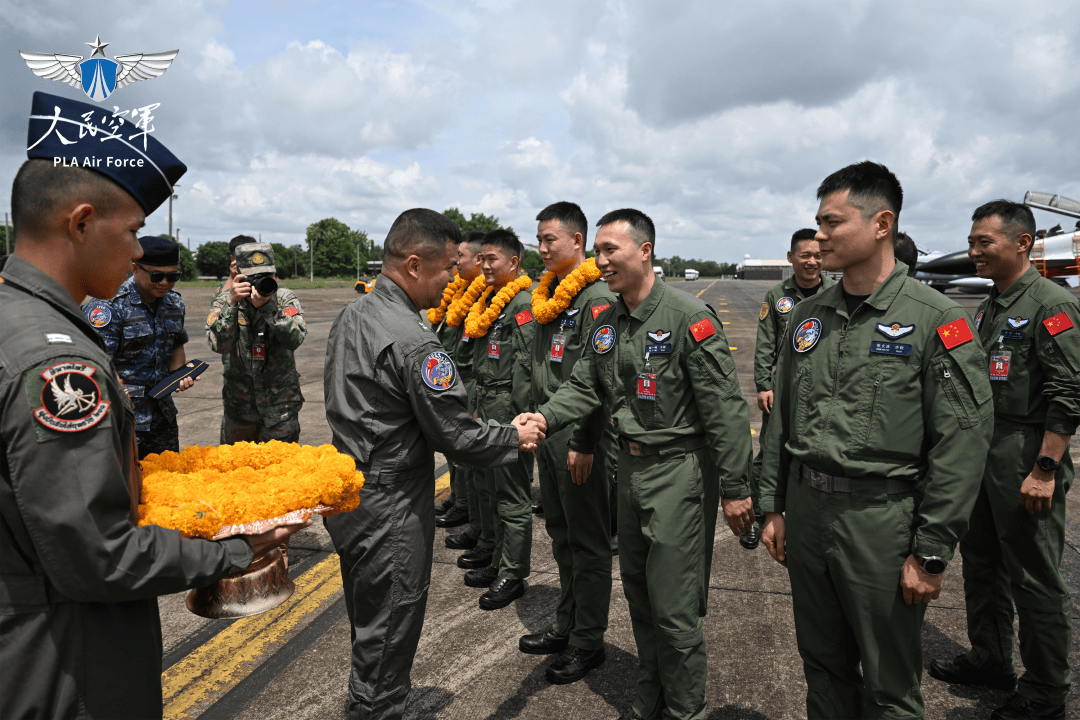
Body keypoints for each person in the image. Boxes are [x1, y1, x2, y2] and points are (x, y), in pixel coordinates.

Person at [0, 90, 305, 719]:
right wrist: (236, 550)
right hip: (69, 664)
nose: (142, 254)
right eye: (135, 231)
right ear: (80, 222)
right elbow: (97, 556)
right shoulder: (57, 363)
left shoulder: (17, 318)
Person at [759, 161, 994, 720]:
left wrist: (932, 550)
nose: (819, 237)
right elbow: (782, 420)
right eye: (818, 224)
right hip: (809, 512)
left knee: (890, 686)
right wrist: (773, 503)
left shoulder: (935, 319)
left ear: (882, 223)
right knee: (821, 665)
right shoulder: (808, 318)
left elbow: (962, 442)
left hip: (881, 520)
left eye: (832, 223)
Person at [518, 208, 755, 720]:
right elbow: (584, 386)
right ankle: (651, 697)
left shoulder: (688, 318)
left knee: (675, 612)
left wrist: (737, 488)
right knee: (641, 600)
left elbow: (725, 409)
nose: (600, 261)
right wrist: (541, 419)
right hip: (628, 470)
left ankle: (686, 709)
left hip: (678, 473)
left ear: (645, 250)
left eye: (611, 250)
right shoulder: (608, 322)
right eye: (597, 251)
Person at [323, 208, 544, 720]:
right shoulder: (414, 339)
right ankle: (378, 706)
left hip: (347, 490)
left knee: (369, 612)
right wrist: (515, 436)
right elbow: (457, 435)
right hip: (391, 501)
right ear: (415, 264)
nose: (454, 278)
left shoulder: (355, 313)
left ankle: (369, 693)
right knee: (395, 613)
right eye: (448, 268)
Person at [929, 200, 1080, 720]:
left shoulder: (1050, 304)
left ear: (1021, 243)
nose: (973, 252)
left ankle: (1045, 691)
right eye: (971, 242)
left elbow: (1069, 392)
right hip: (983, 455)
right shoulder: (993, 304)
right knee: (983, 565)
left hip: (1025, 454)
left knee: (1035, 579)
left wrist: (1045, 469)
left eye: (983, 243)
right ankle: (992, 659)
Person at [519, 201, 617, 684]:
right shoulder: (549, 294)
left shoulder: (597, 298)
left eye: (548, 239)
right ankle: (567, 622)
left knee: (589, 542)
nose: (540, 249)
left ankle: (588, 641)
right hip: (549, 435)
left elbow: (597, 381)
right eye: (538, 240)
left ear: (576, 241)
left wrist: (584, 440)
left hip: (580, 440)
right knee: (561, 536)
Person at [463, 229, 537, 609]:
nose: (485, 265)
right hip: (487, 401)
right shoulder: (490, 300)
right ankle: (496, 560)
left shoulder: (522, 303)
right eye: (483, 259)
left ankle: (513, 572)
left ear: (513, 262)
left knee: (511, 496)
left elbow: (526, 363)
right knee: (490, 490)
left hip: (509, 408)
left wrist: (521, 420)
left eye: (492, 259)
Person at [749, 228, 834, 548]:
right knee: (769, 450)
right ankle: (759, 515)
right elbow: (765, 344)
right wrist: (763, 385)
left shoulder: (835, 292)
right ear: (790, 258)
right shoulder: (777, 297)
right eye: (805, 256)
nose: (812, 262)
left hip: (819, 388)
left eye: (818, 255)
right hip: (782, 389)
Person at [83, 235, 197, 459]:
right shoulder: (109, 306)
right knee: (126, 486)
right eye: (157, 276)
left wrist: (179, 373)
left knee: (167, 480)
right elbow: (94, 364)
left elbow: (176, 342)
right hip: (122, 417)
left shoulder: (174, 303)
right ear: (135, 268)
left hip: (162, 415)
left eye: (173, 276)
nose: (165, 283)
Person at [206, 242, 307, 443]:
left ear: (274, 274)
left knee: (282, 469)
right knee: (237, 469)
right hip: (240, 410)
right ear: (239, 275)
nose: (260, 283)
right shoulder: (225, 300)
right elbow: (220, 345)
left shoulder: (284, 298)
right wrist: (232, 305)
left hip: (280, 409)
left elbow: (295, 339)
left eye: (266, 277)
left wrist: (269, 309)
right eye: (253, 278)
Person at [432, 229, 486, 533]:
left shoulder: (481, 297)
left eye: (459, 258)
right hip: (451, 377)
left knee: (465, 450)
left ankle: (465, 504)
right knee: (452, 449)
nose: (455, 264)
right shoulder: (459, 290)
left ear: (477, 260)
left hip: (467, 380)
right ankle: (458, 497)